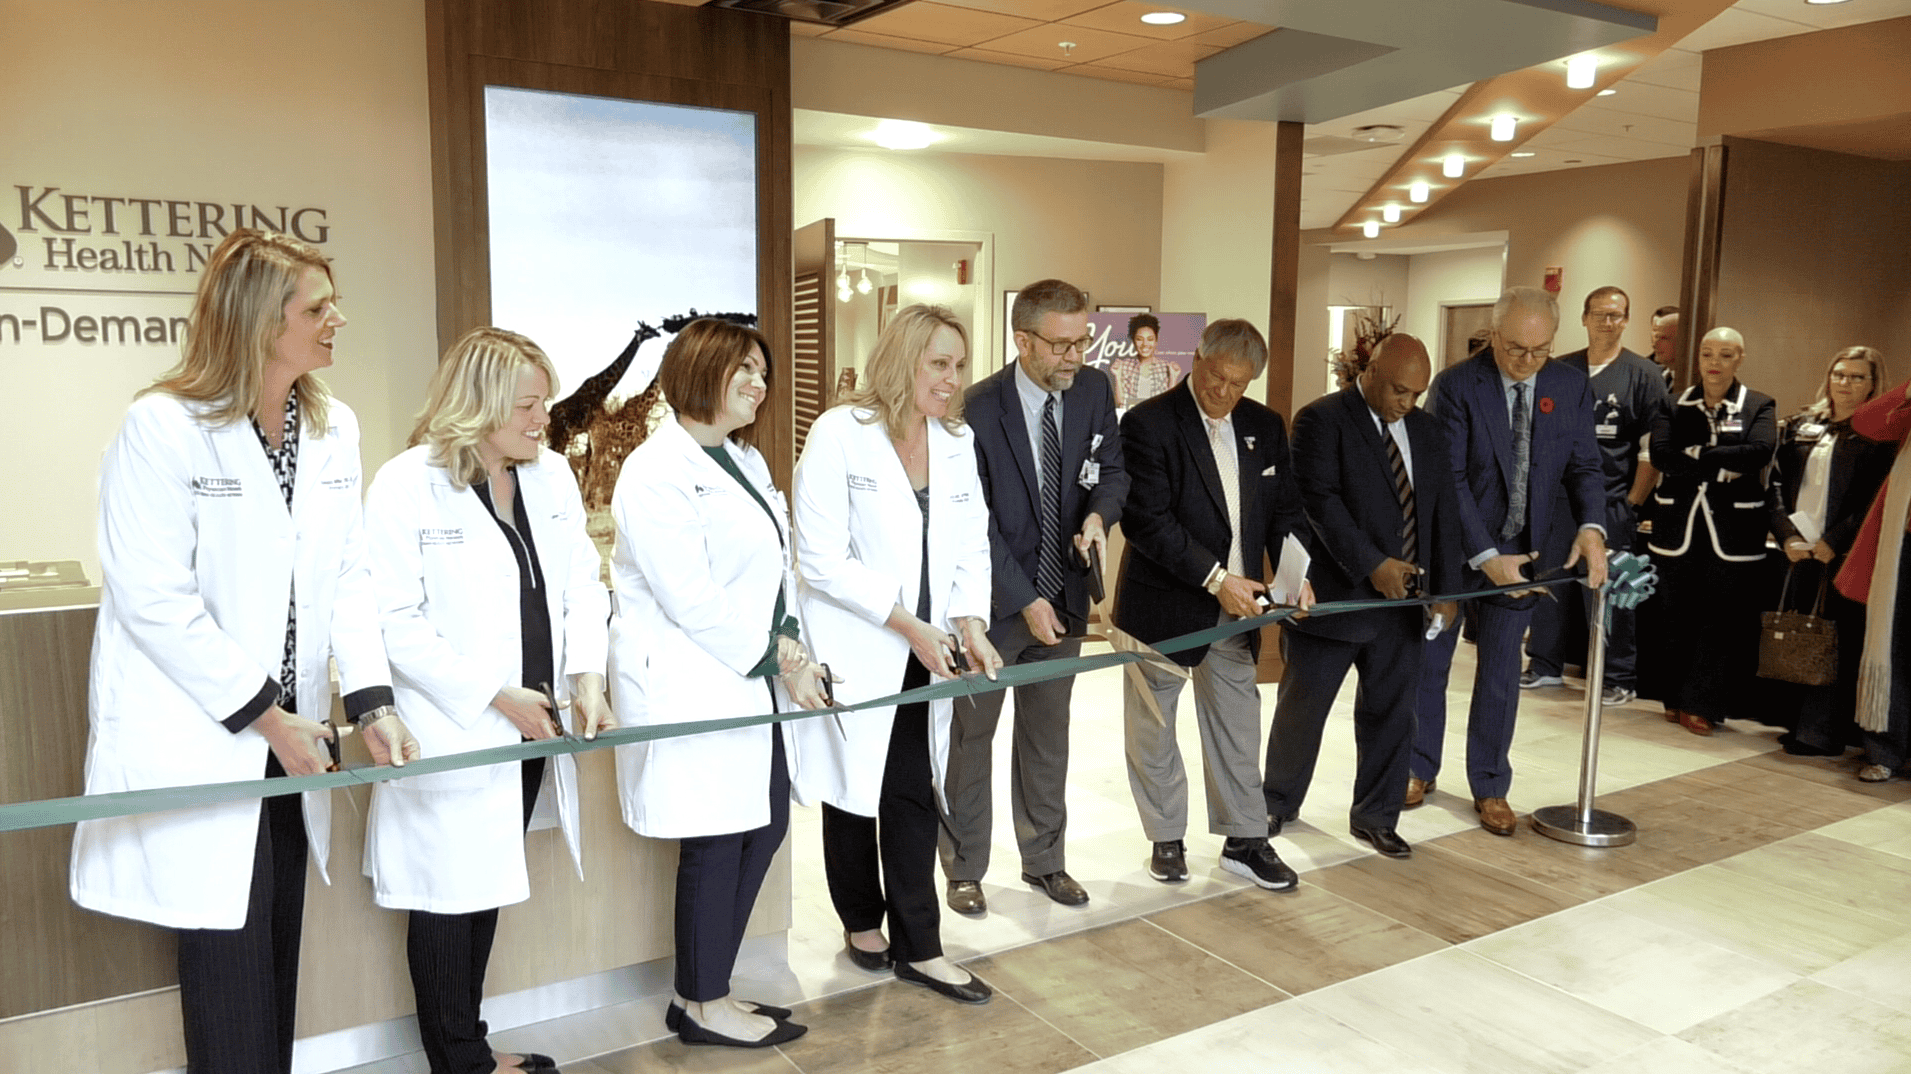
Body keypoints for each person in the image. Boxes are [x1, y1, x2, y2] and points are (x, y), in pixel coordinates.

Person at [69, 228, 419, 1074]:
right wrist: (268, 717)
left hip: (289, 737)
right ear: (262, 322)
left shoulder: (333, 428)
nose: (339, 318)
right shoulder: (162, 426)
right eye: (317, 307)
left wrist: (370, 701)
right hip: (215, 732)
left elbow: (347, 576)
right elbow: (154, 598)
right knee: (226, 964)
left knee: (274, 952)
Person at [364, 327, 613, 1074]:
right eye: (528, 406)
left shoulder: (551, 476)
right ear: (476, 406)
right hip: (455, 724)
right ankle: (461, 1059)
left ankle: (468, 1045)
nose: (544, 419)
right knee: (446, 898)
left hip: (533, 722)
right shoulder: (406, 483)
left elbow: (578, 583)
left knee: (483, 887)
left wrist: (587, 677)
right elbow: (394, 621)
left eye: (544, 403)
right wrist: (495, 696)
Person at [607, 318, 830, 1048]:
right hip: (691, 681)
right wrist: (781, 659)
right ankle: (704, 1004)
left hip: (748, 680)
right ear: (698, 371)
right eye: (743, 369)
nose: (758, 384)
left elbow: (777, 567)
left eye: (762, 372)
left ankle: (701, 991)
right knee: (715, 839)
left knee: (760, 827)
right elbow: (690, 597)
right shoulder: (655, 469)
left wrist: (791, 648)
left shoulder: (744, 460)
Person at [789, 304, 1004, 1004]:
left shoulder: (955, 439)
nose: (951, 379)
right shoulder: (838, 434)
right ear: (902, 360)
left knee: (910, 786)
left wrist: (967, 618)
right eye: (937, 364)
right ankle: (860, 920)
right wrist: (905, 621)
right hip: (860, 640)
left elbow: (971, 540)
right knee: (855, 789)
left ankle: (921, 944)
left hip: (928, 644)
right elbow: (818, 559)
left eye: (958, 365)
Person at [941, 278, 1128, 913]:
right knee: (971, 740)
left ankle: (1045, 861)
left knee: (1049, 736)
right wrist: (1023, 598)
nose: (1076, 357)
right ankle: (964, 866)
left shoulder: (1095, 391)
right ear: (1022, 340)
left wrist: (1101, 517)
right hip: (993, 610)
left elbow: (1112, 471)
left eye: (1083, 343)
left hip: (1066, 598)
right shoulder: (976, 407)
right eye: (1061, 345)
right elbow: (976, 525)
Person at [1116, 319, 1311, 890]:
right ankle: (1166, 839)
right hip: (1162, 610)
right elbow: (1147, 521)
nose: (1223, 393)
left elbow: (1284, 512)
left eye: (1238, 384)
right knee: (1153, 731)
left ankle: (1246, 838)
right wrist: (1215, 577)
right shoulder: (1148, 423)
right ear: (1197, 358)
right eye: (1217, 377)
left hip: (1238, 608)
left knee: (1238, 725)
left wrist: (1298, 575)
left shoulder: (1264, 426)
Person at [1410, 286, 1607, 836]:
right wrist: (1485, 553)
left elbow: (1586, 466)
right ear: (1493, 335)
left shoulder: (1569, 386)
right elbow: (1446, 479)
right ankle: (1416, 767)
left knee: (1500, 671)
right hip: (1454, 551)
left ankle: (1491, 784)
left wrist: (1592, 527)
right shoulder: (1455, 386)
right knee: (1430, 663)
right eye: (1515, 349)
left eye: (1539, 351)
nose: (1526, 363)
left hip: (1528, 553)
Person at [1266, 333, 1460, 861]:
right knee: (1303, 709)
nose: (1406, 403)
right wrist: (1373, 565)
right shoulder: (1321, 420)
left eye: (1416, 393)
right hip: (1335, 601)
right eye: (1399, 389)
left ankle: (1376, 817)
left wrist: (1445, 590)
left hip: (1403, 608)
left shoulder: (1425, 429)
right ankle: (1276, 804)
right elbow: (1320, 503)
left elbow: (1441, 509)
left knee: (1393, 714)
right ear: (1370, 370)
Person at [1522, 286, 1669, 706]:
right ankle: (1544, 666)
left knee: (1607, 592)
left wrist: (1632, 504)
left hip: (1609, 503)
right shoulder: (1557, 370)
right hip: (1554, 503)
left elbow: (1649, 451)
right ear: (1584, 319)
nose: (1608, 322)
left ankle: (1616, 676)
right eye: (1600, 314)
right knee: (1550, 584)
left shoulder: (1642, 375)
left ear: (1626, 321)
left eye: (1617, 315)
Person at [1646, 327, 1777, 735]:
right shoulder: (1672, 403)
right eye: (1707, 353)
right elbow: (1662, 456)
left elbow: (1760, 451)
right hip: (1677, 525)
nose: (1714, 362)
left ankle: (1701, 702)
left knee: (1719, 619)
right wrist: (1722, 464)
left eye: (1724, 354)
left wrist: (1698, 453)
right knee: (1674, 615)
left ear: (1739, 358)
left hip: (1734, 529)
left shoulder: (1758, 404)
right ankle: (1674, 698)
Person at [1767, 347, 1893, 757]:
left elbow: (1876, 499)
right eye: (1840, 374)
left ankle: (1821, 732)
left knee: (1835, 641)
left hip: (1843, 554)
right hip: (1798, 548)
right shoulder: (1803, 424)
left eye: (1858, 377)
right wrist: (1785, 534)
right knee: (1798, 633)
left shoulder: (1879, 436)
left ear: (1874, 384)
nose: (1846, 383)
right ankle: (1795, 722)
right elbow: (1775, 484)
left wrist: (1835, 540)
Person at [1834, 372, 1911, 782]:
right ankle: (1884, 750)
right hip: (1903, 546)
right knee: (1892, 646)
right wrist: (1907, 390)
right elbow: (1865, 422)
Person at [1108, 313, 1184, 408]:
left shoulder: (1165, 367)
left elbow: (1170, 403)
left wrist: (1174, 376)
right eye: (1139, 339)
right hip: (1133, 419)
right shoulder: (1125, 365)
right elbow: (1121, 404)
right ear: (1133, 341)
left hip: (1157, 420)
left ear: (1156, 341)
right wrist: (1117, 375)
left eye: (1150, 339)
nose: (1145, 344)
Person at [1649, 306, 1680, 392]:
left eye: (1663, 338)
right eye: (1655, 337)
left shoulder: (1694, 378)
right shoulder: (1645, 371)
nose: (1654, 344)